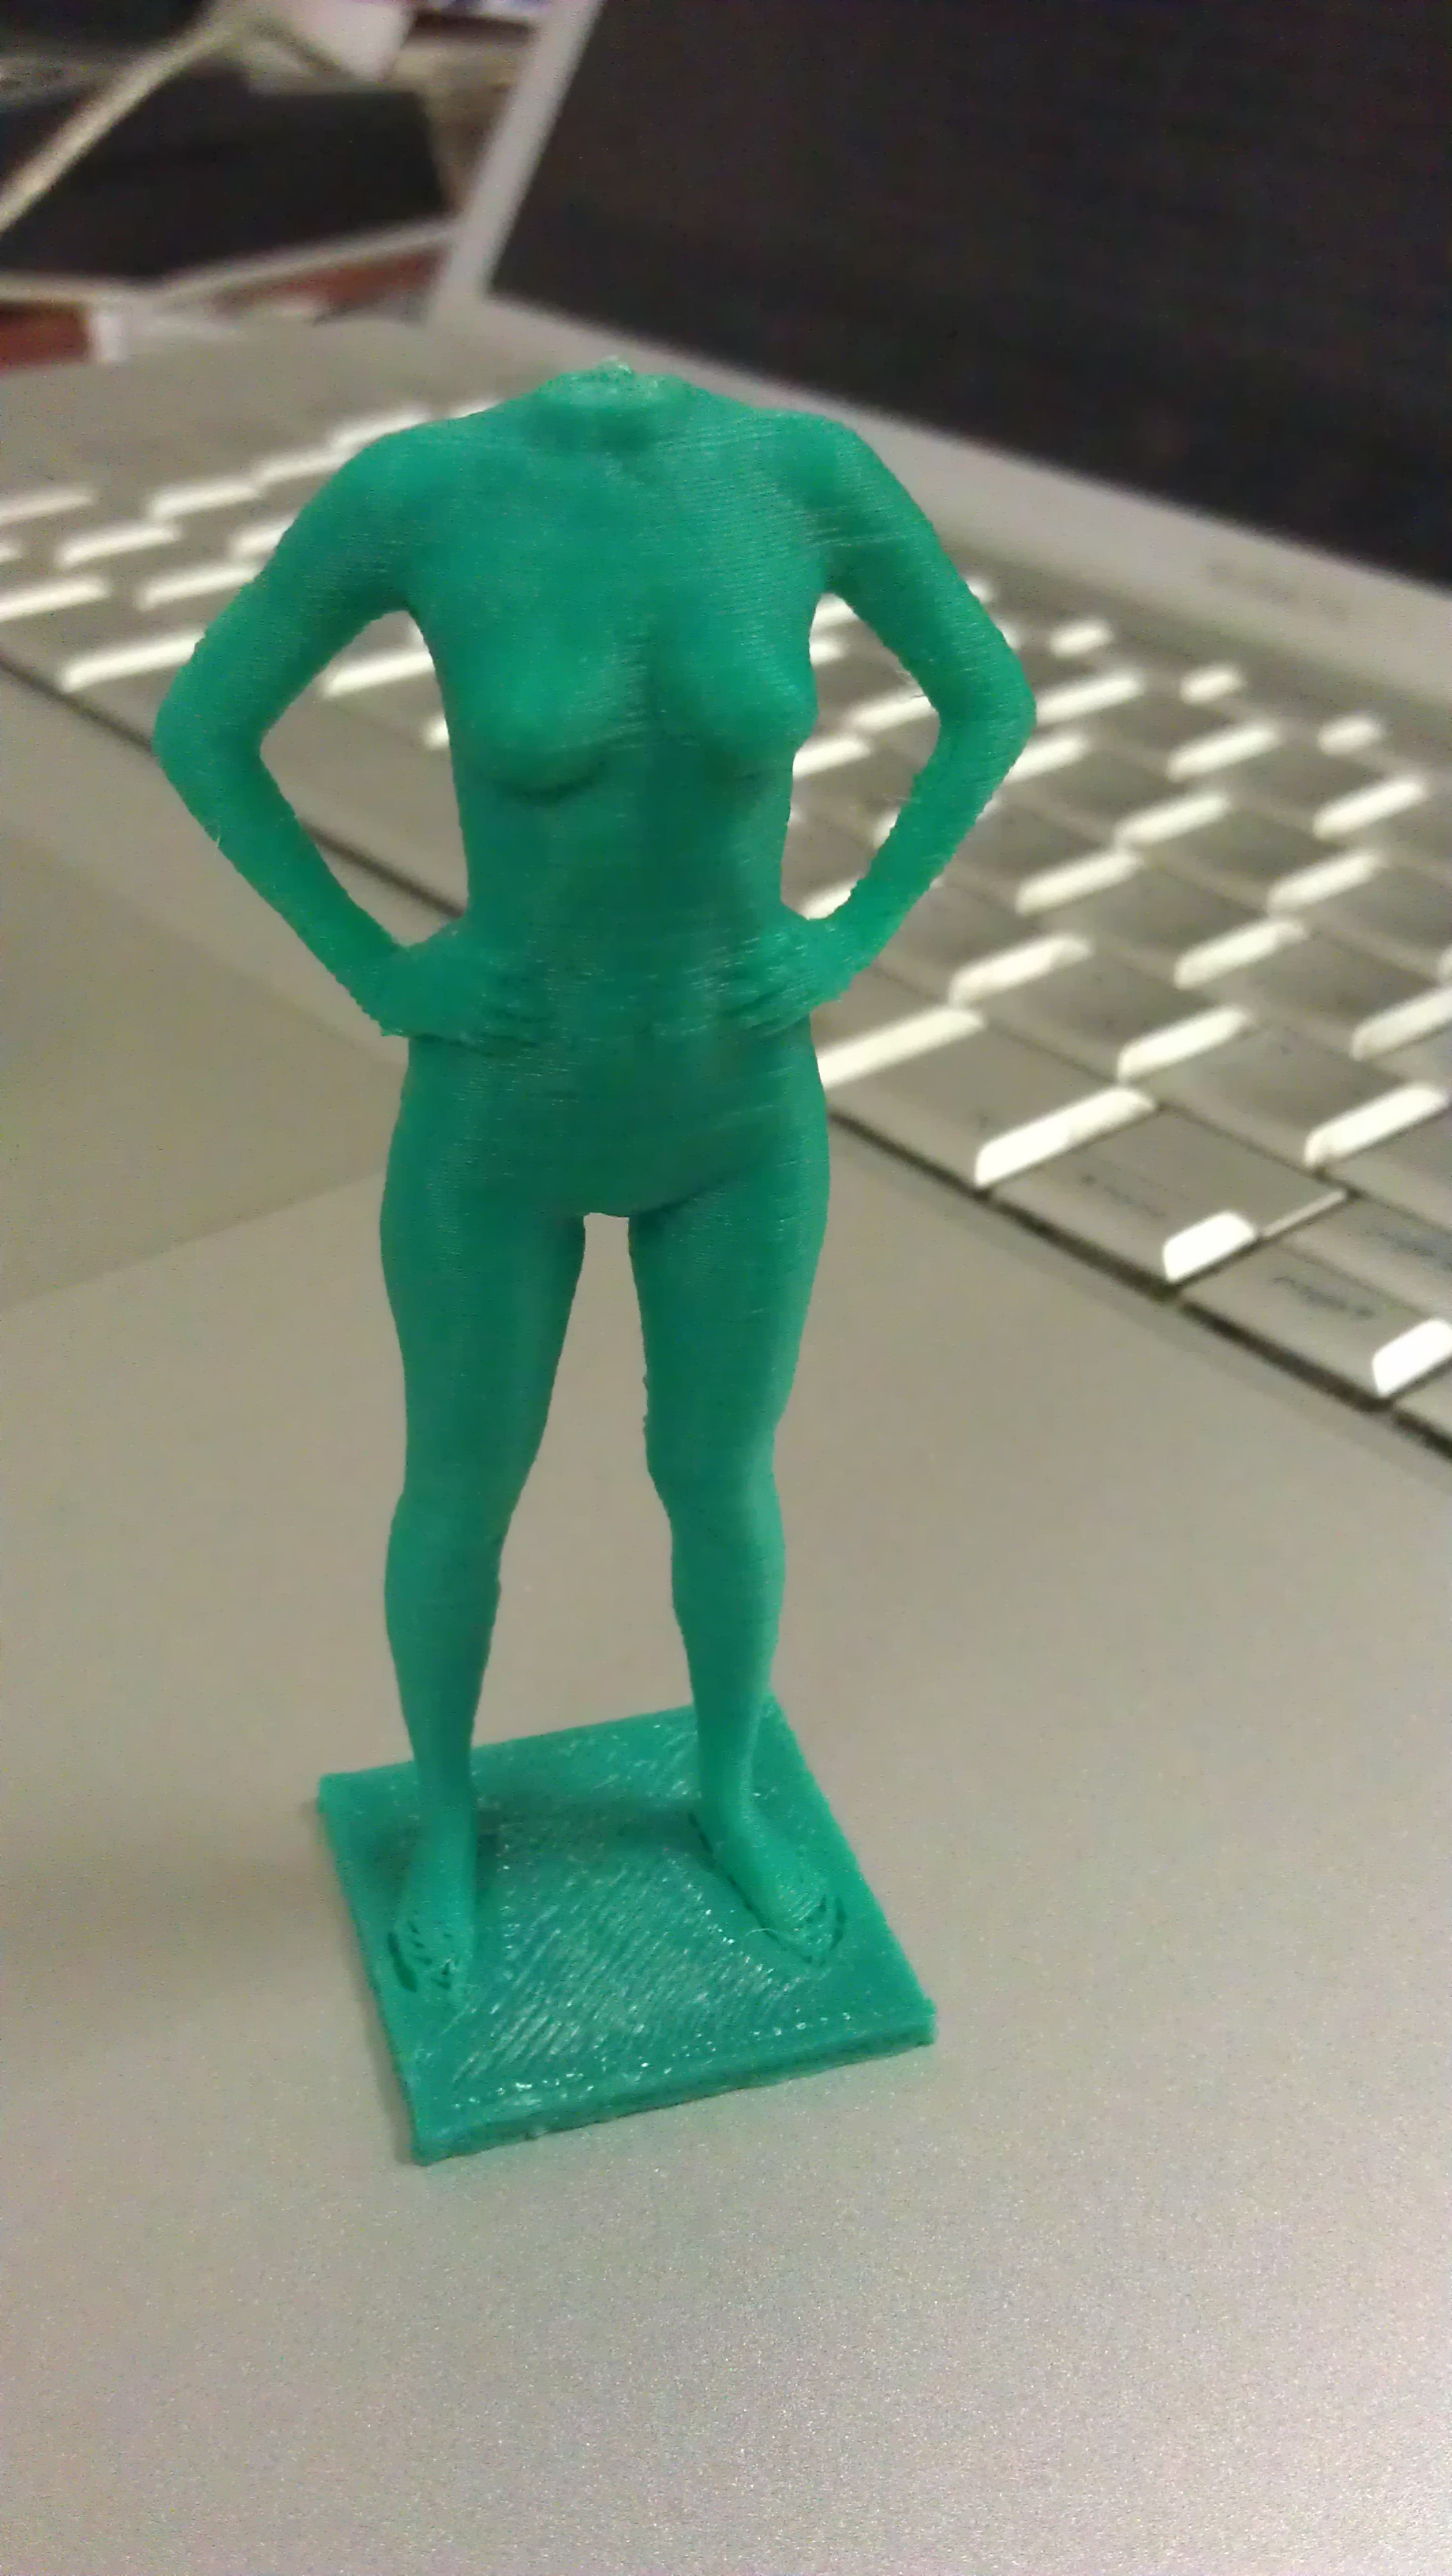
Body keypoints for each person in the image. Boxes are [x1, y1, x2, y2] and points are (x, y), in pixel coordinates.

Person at [153, 361, 1034, 1994]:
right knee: (460, 1484)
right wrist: (376, 965)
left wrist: (852, 931)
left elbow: (987, 696)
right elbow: (203, 726)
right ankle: (440, 1818)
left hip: (734, 1096)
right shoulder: (421, 493)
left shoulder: (801, 473)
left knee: (718, 1473)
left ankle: (724, 1789)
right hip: (501, 1104)